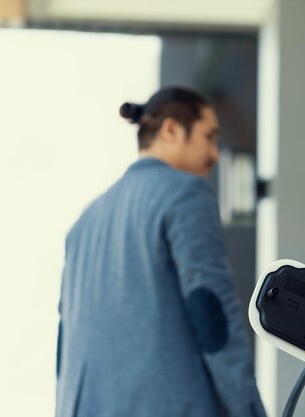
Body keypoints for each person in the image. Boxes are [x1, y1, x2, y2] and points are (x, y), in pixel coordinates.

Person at [56, 87, 266, 417]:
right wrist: (249, 410)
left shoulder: (84, 221)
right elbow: (212, 314)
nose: (214, 154)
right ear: (171, 130)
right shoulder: (186, 194)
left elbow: (65, 341)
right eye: (208, 137)